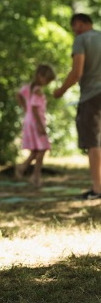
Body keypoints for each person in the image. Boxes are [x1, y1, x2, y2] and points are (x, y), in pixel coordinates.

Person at [53, 13, 101, 200]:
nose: (74, 31)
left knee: (94, 141)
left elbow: (76, 72)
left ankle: (97, 189)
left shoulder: (81, 40)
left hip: (92, 95)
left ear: (80, 24)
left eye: (74, 26)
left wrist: (61, 90)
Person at [14, 64, 56, 188]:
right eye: (47, 80)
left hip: (29, 120)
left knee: (37, 150)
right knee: (42, 149)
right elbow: (35, 109)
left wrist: (25, 109)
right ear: (39, 76)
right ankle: (34, 175)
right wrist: (40, 125)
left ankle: (25, 169)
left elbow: (18, 95)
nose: (48, 83)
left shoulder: (28, 88)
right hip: (35, 122)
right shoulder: (37, 90)